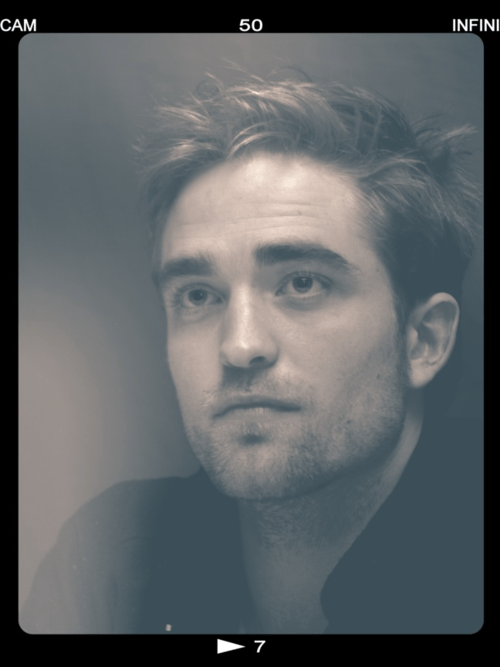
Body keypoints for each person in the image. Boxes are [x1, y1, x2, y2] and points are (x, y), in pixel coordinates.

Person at [21, 73, 482, 634]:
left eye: (303, 284)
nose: (239, 346)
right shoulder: (110, 559)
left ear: (423, 340)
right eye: (198, 295)